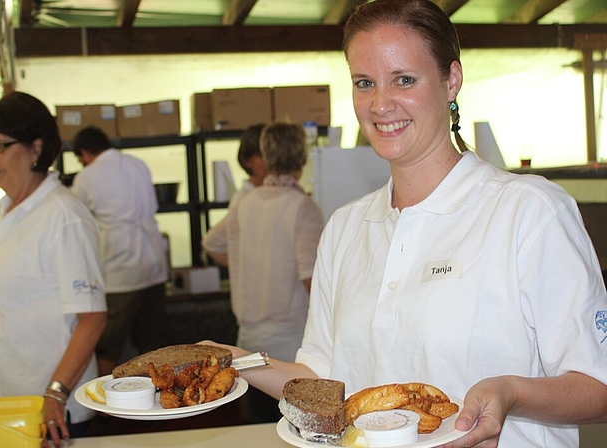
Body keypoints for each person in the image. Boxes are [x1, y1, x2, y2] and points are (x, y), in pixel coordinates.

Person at [206, 1, 607, 447]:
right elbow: (321, 381)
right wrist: (234, 362)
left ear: (450, 80)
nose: (380, 104)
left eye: (404, 80)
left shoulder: (528, 212)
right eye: (364, 83)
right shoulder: (345, 228)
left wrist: (510, 393)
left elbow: (599, 386)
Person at [0, 91, 107, 448]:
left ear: (36, 148)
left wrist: (55, 394)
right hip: (6, 404)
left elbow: (91, 318)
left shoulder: (63, 217)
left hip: (49, 414)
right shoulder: (8, 210)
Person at [70, 126, 169, 376]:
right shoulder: (137, 163)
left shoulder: (88, 176)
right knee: (153, 345)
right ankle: (164, 404)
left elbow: (75, 219)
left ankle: (106, 410)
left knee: (107, 346)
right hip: (154, 262)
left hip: (120, 270)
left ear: (84, 153)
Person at [227, 121, 323, 363]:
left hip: (247, 338)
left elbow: (219, 249)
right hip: (289, 342)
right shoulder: (303, 206)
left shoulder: (245, 203)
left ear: (266, 157)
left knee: (253, 400)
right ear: (303, 159)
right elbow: (311, 279)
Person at [201, 123, 267, 266]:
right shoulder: (244, 200)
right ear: (247, 161)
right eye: (261, 156)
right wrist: (246, 269)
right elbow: (211, 244)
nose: (269, 162)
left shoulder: (269, 194)